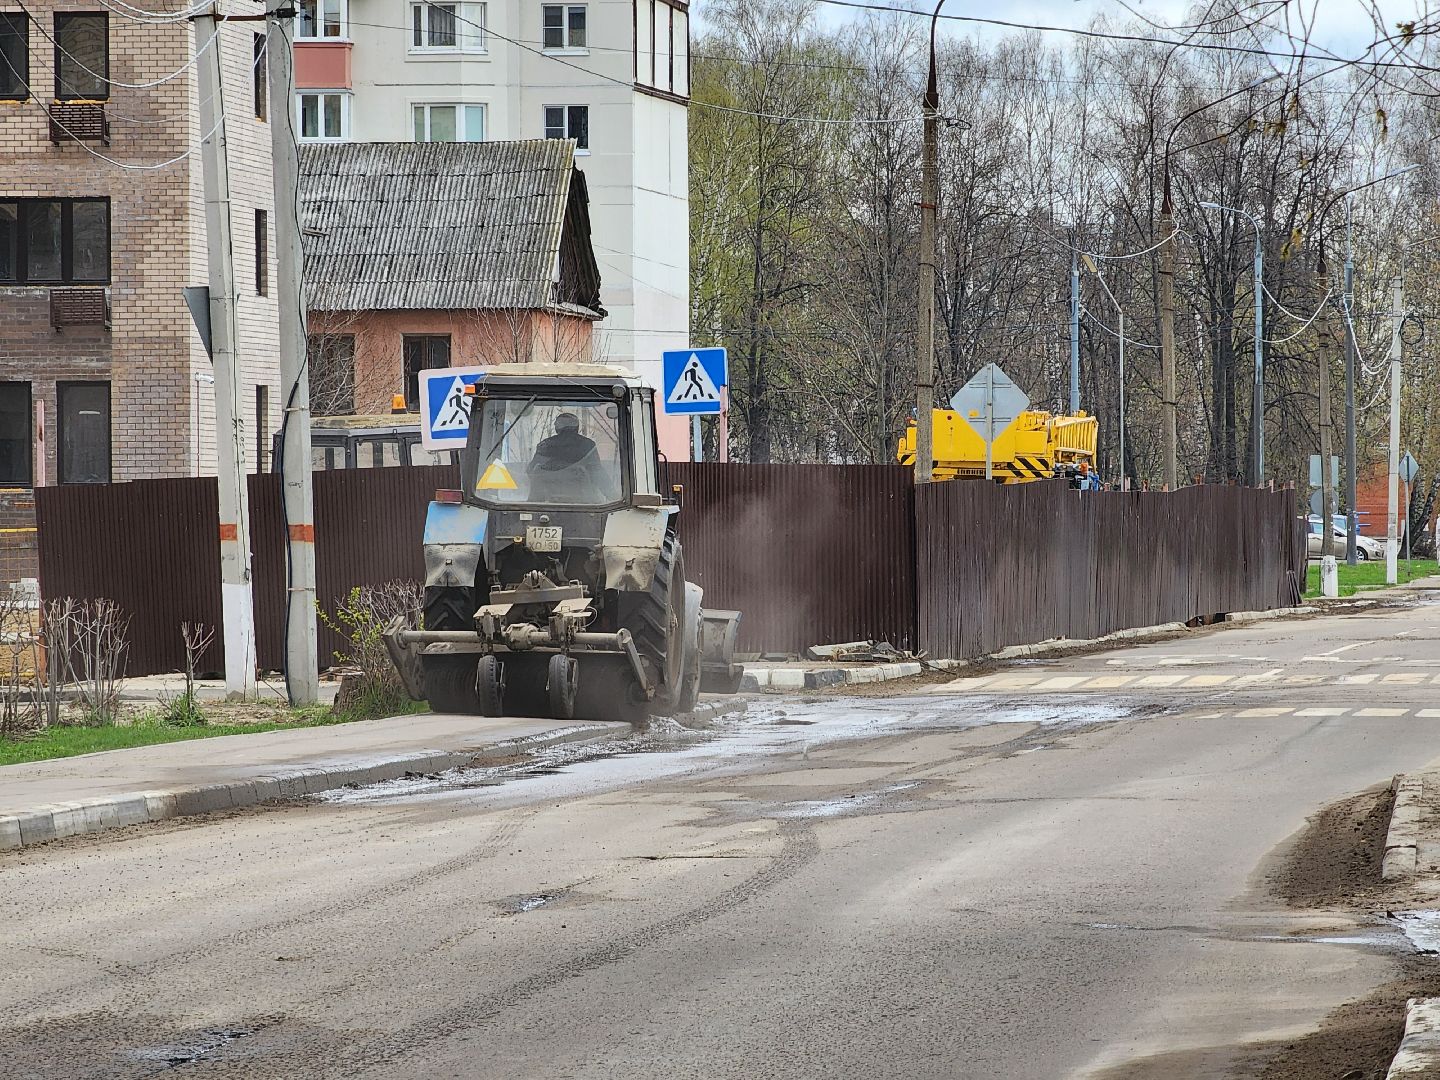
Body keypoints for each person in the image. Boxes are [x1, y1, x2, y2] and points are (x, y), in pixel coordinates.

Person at [527, 412, 608, 502]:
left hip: (548, 503)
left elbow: (531, 470)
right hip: (584, 504)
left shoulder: (545, 445)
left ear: (557, 427)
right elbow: (598, 474)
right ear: (577, 427)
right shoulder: (588, 445)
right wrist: (614, 496)